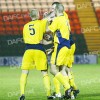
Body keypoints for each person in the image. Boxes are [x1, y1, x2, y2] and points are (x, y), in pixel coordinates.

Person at [19, 9, 55, 100]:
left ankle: (22, 94)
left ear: (30, 16)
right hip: (39, 49)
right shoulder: (41, 22)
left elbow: (25, 39)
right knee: (44, 73)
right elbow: (48, 28)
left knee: (24, 73)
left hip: (28, 50)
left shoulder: (25, 26)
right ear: (38, 15)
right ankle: (49, 94)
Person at [46, 4, 72, 99]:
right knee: (62, 70)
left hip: (60, 47)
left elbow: (47, 30)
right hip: (66, 46)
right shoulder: (65, 19)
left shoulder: (57, 19)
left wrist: (47, 21)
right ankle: (70, 94)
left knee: (53, 70)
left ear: (56, 10)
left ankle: (68, 88)